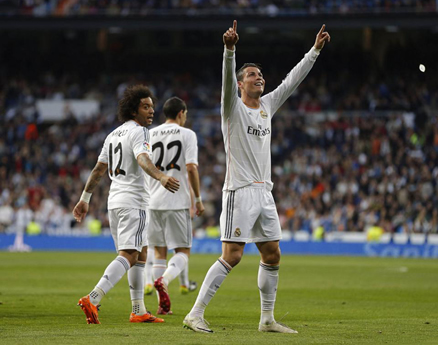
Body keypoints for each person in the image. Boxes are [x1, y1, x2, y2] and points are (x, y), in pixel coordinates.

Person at [183, 20, 330, 333]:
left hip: (265, 193)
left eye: (261, 75)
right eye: (252, 75)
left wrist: (314, 51)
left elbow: (292, 82)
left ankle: (266, 320)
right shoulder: (232, 109)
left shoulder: (267, 106)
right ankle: (195, 313)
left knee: (273, 253)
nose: (259, 78)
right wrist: (230, 50)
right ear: (240, 84)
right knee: (233, 255)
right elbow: (225, 80)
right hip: (240, 191)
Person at [73, 85, 180, 324]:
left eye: (152, 106)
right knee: (130, 254)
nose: (151, 111)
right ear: (134, 110)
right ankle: (93, 297)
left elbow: (99, 169)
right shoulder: (140, 132)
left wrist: (84, 198)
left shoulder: (113, 135)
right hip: (134, 201)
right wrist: (161, 176)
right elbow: (143, 159)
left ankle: (138, 309)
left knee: (140, 253)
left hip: (115, 202)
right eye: (145, 106)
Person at [146, 97, 205, 315]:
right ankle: (164, 281)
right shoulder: (187, 134)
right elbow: (191, 168)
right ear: (181, 113)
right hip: (176, 200)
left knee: (159, 252)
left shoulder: (150, 134)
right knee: (183, 251)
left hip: (153, 200)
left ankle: (162, 305)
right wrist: (197, 199)